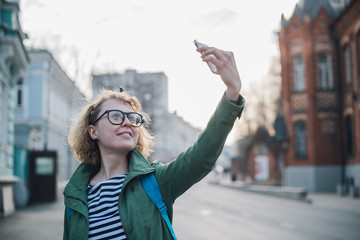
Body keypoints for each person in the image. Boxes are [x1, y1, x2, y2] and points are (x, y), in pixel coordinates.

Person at [63, 44, 245, 240]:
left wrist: (232, 93)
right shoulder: (76, 196)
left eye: (133, 118)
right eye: (115, 116)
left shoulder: (155, 181)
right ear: (93, 131)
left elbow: (201, 156)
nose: (127, 123)